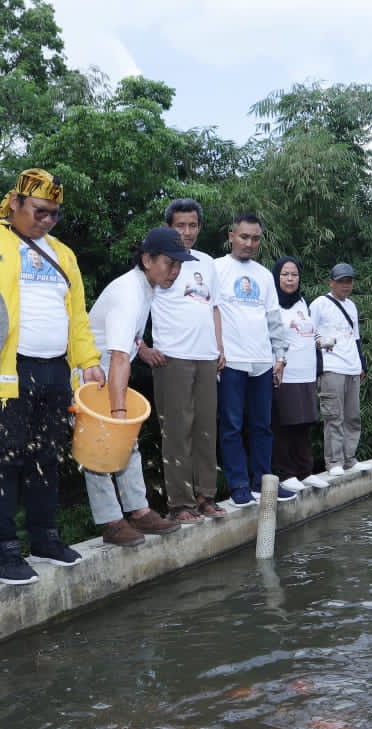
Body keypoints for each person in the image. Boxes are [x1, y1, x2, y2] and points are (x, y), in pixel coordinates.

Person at [0, 168, 104, 585]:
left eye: (55, 214)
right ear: (15, 202)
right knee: (3, 459)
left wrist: (88, 359)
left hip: (55, 369)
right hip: (7, 369)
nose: (47, 220)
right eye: (40, 211)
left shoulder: (63, 254)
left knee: (46, 458)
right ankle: (2, 552)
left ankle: (45, 538)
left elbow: (77, 315)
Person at [83, 227, 192, 545]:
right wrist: (118, 412)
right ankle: (111, 521)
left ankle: (139, 511)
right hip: (91, 374)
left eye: (179, 264)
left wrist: (141, 348)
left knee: (127, 441)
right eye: (169, 263)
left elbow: (128, 338)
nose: (175, 271)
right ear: (147, 260)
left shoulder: (146, 287)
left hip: (112, 371)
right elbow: (119, 357)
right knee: (98, 447)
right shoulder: (129, 293)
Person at [136, 199, 226, 523]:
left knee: (206, 430)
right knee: (177, 432)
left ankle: (206, 497)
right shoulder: (158, 263)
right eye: (180, 225)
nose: (187, 232)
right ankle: (180, 504)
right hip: (172, 358)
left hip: (207, 358)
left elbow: (214, 306)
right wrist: (142, 348)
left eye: (192, 225)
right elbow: (133, 309)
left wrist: (220, 347)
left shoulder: (207, 262)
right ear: (169, 227)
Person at [212, 213, 294, 506]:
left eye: (255, 238)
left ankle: (263, 482)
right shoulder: (215, 268)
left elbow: (273, 319)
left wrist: (280, 356)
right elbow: (209, 312)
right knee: (232, 426)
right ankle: (238, 485)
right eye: (244, 237)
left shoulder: (264, 275)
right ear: (231, 236)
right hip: (230, 362)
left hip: (262, 362)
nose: (249, 243)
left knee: (262, 426)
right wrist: (216, 350)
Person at [271, 257, 329, 492]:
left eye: (294, 275)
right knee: (285, 423)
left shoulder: (302, 302)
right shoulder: (272, 303)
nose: (290, 279)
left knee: (304, 423)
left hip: (306, 372)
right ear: (276, 277)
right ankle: (286, 474)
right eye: (285, 274)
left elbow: (310, 334)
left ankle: (305, 471)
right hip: (285, 372)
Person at [309, 262, 367, 476]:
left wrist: (362, 365)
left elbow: (356, 338)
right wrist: (321, 342)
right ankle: (334, 462)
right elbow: (307, 332)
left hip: (352, 367)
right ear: (331, 282)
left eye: (349, 281)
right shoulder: (319, 304)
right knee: (334, 416)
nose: (345, 285)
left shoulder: (352, 306)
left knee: (353, 416)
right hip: (331, 366)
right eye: (341, 281)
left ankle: (350, 459)